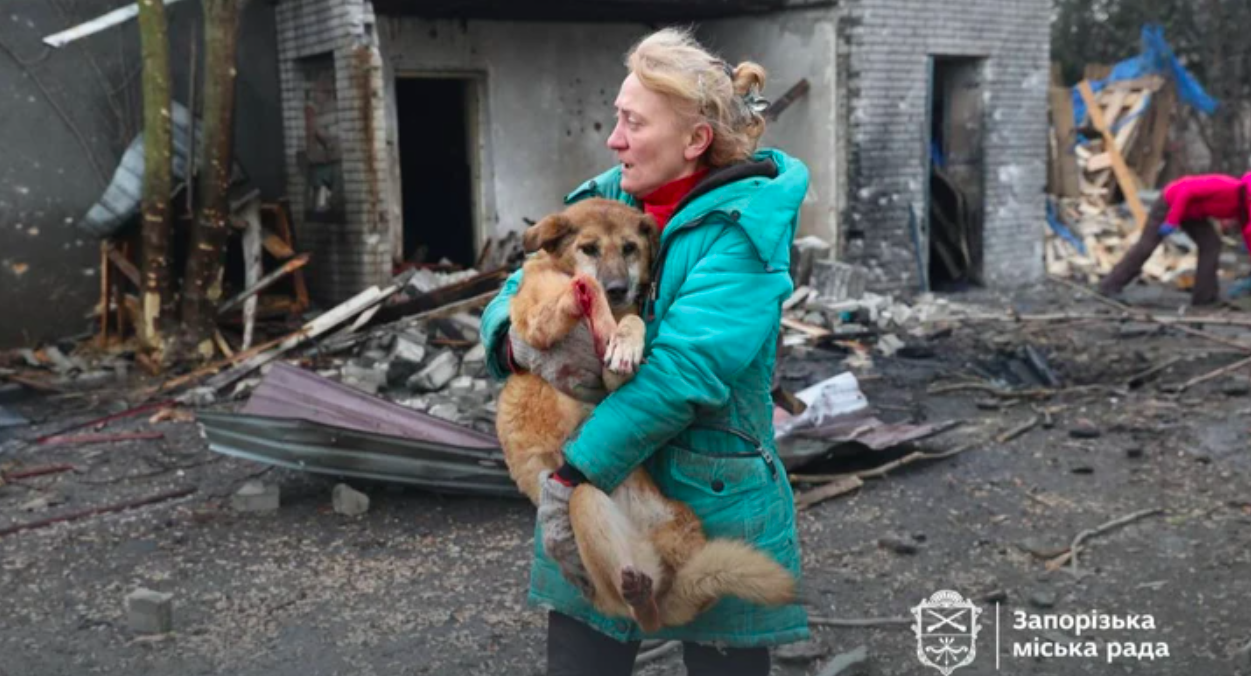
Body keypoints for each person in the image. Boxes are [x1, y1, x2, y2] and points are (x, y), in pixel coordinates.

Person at [478, 27, 809, 676]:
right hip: (601, 490)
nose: (613, 138)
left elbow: (683, 374)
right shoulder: (606, 197)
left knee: (721, 661)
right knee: (580, 661)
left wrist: (575, 473)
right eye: (614, 118)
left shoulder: (742, 231)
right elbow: (515, 288)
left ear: (694, 141)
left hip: (704, 492)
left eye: (631, 122)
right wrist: (513, 342)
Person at [1099, 172, 1251, 305]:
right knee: (1147, 246)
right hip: (1172, 202)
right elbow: (1187, 189)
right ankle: (1110, 285)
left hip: (1193, 215)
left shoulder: (1244, 207)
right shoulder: (1226, 185)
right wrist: (1172, 220)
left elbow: (1247, 231)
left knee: (1211, 244)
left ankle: (1205, 297)